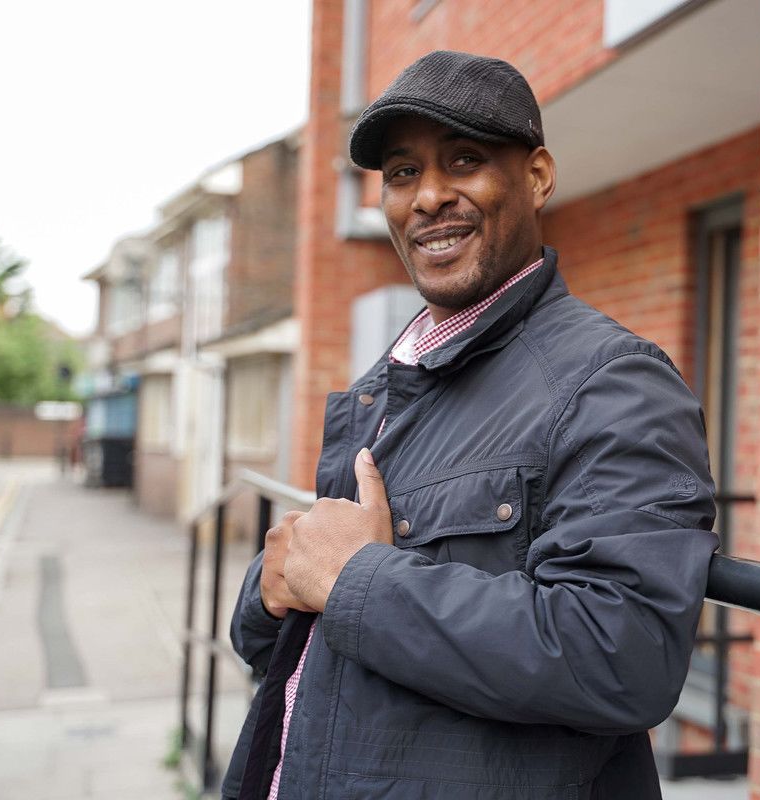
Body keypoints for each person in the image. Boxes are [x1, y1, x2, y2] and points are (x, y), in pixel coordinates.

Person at [223, 50, 718, 800]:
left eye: (465, 160)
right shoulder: (385, 386)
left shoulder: (612, 381)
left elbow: (623, 657)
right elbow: (290, 633)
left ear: (539, 177)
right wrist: (271, 590)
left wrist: (354, 579)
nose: (428, 197)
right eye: (401, 173)